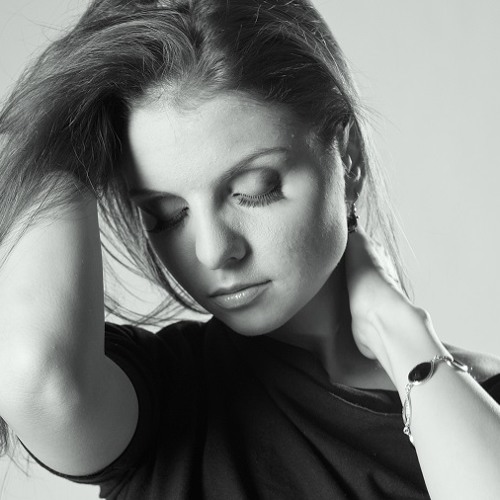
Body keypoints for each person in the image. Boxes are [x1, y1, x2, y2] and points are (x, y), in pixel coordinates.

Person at [0, 0, 499, 499]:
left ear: (347, 158)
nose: (213, 251)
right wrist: (59, 108)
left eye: (252, 190)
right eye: (166, 215)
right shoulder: (158, 400)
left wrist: (404, 337)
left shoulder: (480, 406)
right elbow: (37, 379)